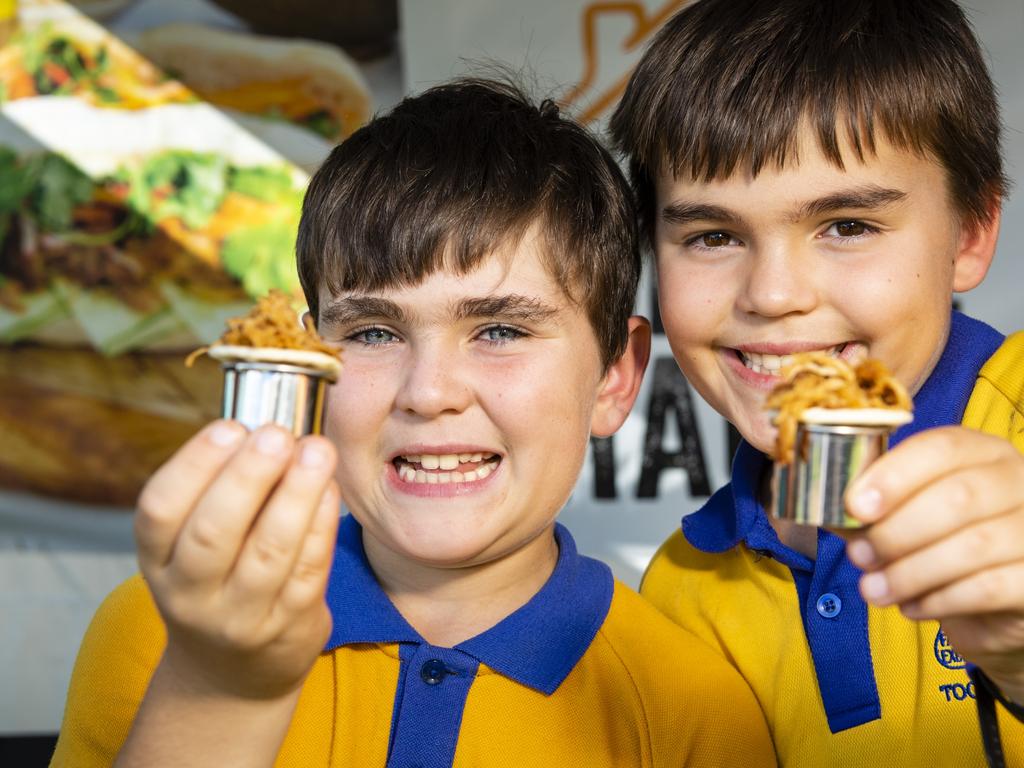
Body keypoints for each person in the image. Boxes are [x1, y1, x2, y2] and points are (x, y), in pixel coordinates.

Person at [50, 78, 776, 768]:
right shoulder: (168, 630)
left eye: (499, 330)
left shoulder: (697, 710)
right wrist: (216, 690)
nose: (428, 394)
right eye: (372, 332)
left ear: (614, 378)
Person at [608, 0, 1024, 765]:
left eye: (847, 225)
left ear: (970, 234)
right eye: (713, 236)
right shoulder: (679, 591)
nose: (772, 294)